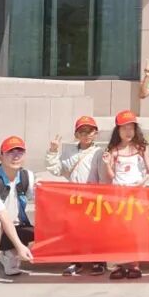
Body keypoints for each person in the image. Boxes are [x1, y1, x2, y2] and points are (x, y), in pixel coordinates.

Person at [100, 111, 149, 280]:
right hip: (119, 195)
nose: (128, 132)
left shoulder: (141, 148)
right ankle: (118, 264)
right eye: (124, 128)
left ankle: (134, 264)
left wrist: (140, 184)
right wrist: (106, 164)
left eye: (131, 128)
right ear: (118, 130)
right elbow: (111, 175)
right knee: (119, 230)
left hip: (136, 195)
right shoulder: (113, 150)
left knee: (135, 230)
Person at [46, 115, 103, 276]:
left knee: (95, 230)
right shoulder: (69, 152)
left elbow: (103, 175)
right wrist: (53, 151)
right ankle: (75, 261)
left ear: (96, 133)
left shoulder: (99, 152)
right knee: (74, 230)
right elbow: (57, 170)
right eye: (82, 131)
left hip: (93, 198)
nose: (86, 135)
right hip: (74, 197)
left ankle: (98, 260)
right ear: (76, 135)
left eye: (90, 131)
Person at [0, 136, 38, 281]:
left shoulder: (27, 176)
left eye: (19, 152)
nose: (16, 156)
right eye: (10, 152)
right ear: (0, 157)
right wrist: (19, 246)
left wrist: (44, 190)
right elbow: (3, 216)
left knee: (43, 234)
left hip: (16, 226)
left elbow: (40, 200)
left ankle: (8, 253)